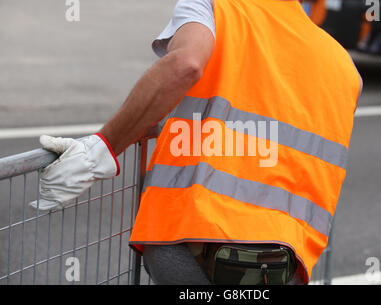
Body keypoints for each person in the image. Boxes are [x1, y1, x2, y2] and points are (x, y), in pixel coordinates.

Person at [30, 0, 362, 285]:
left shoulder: (216, 8)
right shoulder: (342, 66)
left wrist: (101, 148)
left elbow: (185, 64)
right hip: (282, 258)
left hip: (188, 238)